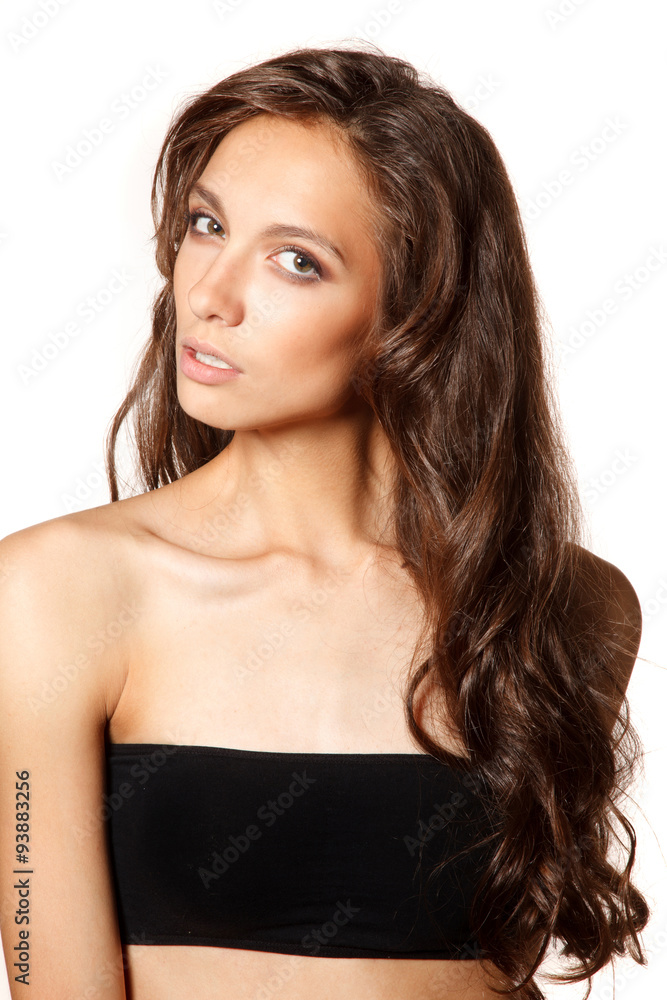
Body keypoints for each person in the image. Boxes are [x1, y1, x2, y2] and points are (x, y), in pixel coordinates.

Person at [0, 44, 648, 1000]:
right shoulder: (59, 592)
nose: (208, 295)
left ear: (417, 312)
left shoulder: (565, 606)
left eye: (295, 261)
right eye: (206, 225)